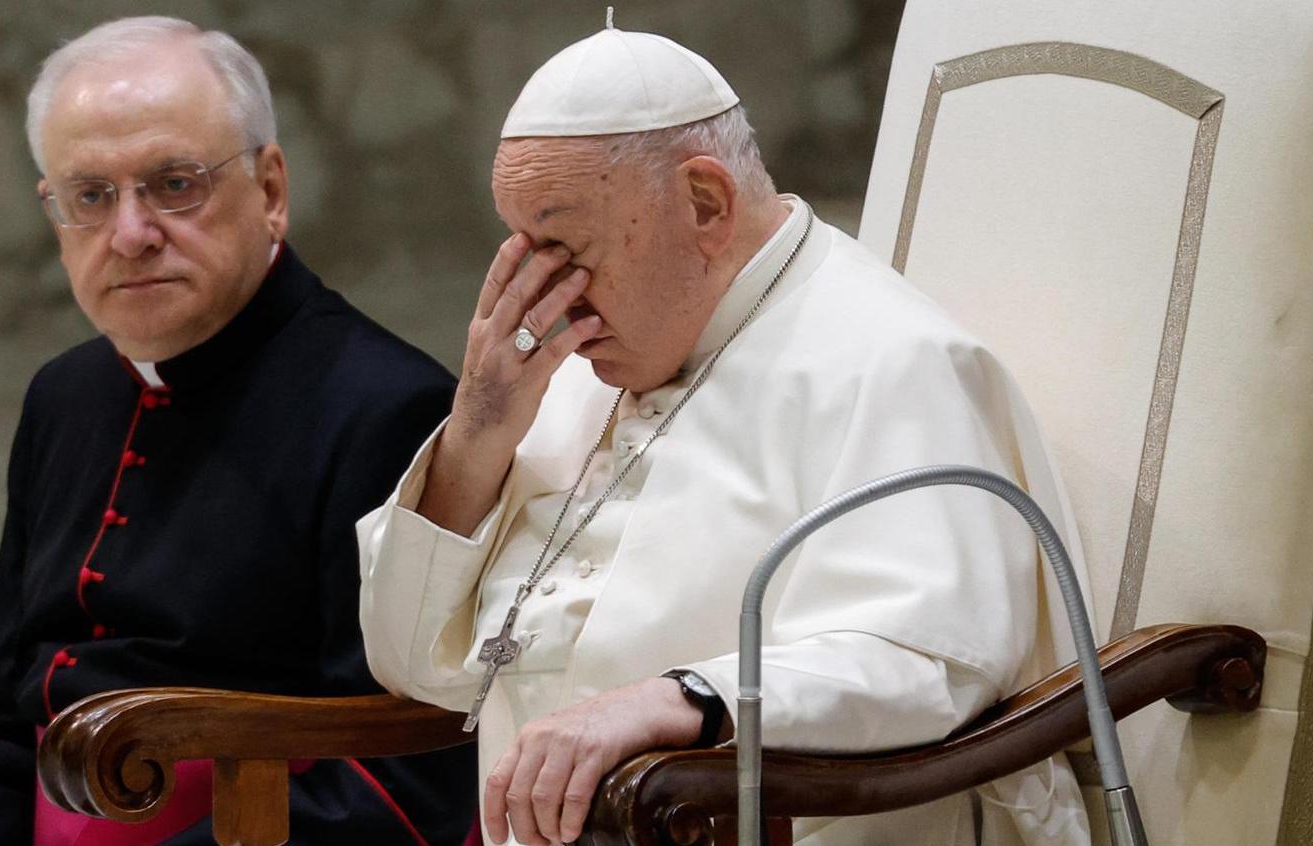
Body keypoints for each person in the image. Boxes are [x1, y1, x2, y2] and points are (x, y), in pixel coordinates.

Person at [357, 22, 1091, 846]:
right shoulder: (563, 374)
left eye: (561, 246)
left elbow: (927, 661)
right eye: (520, 245)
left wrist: (679, 700)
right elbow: (409, 661)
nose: (540, 295)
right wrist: (481, 427)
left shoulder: (892, 361)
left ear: (704, 203)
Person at [0, 16, 474, 845]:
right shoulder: (61, 398)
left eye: (174, 184)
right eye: (90, 196)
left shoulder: (387, 408)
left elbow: (398, 784)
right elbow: (10, 734)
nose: (130, 235)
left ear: (271, 190)